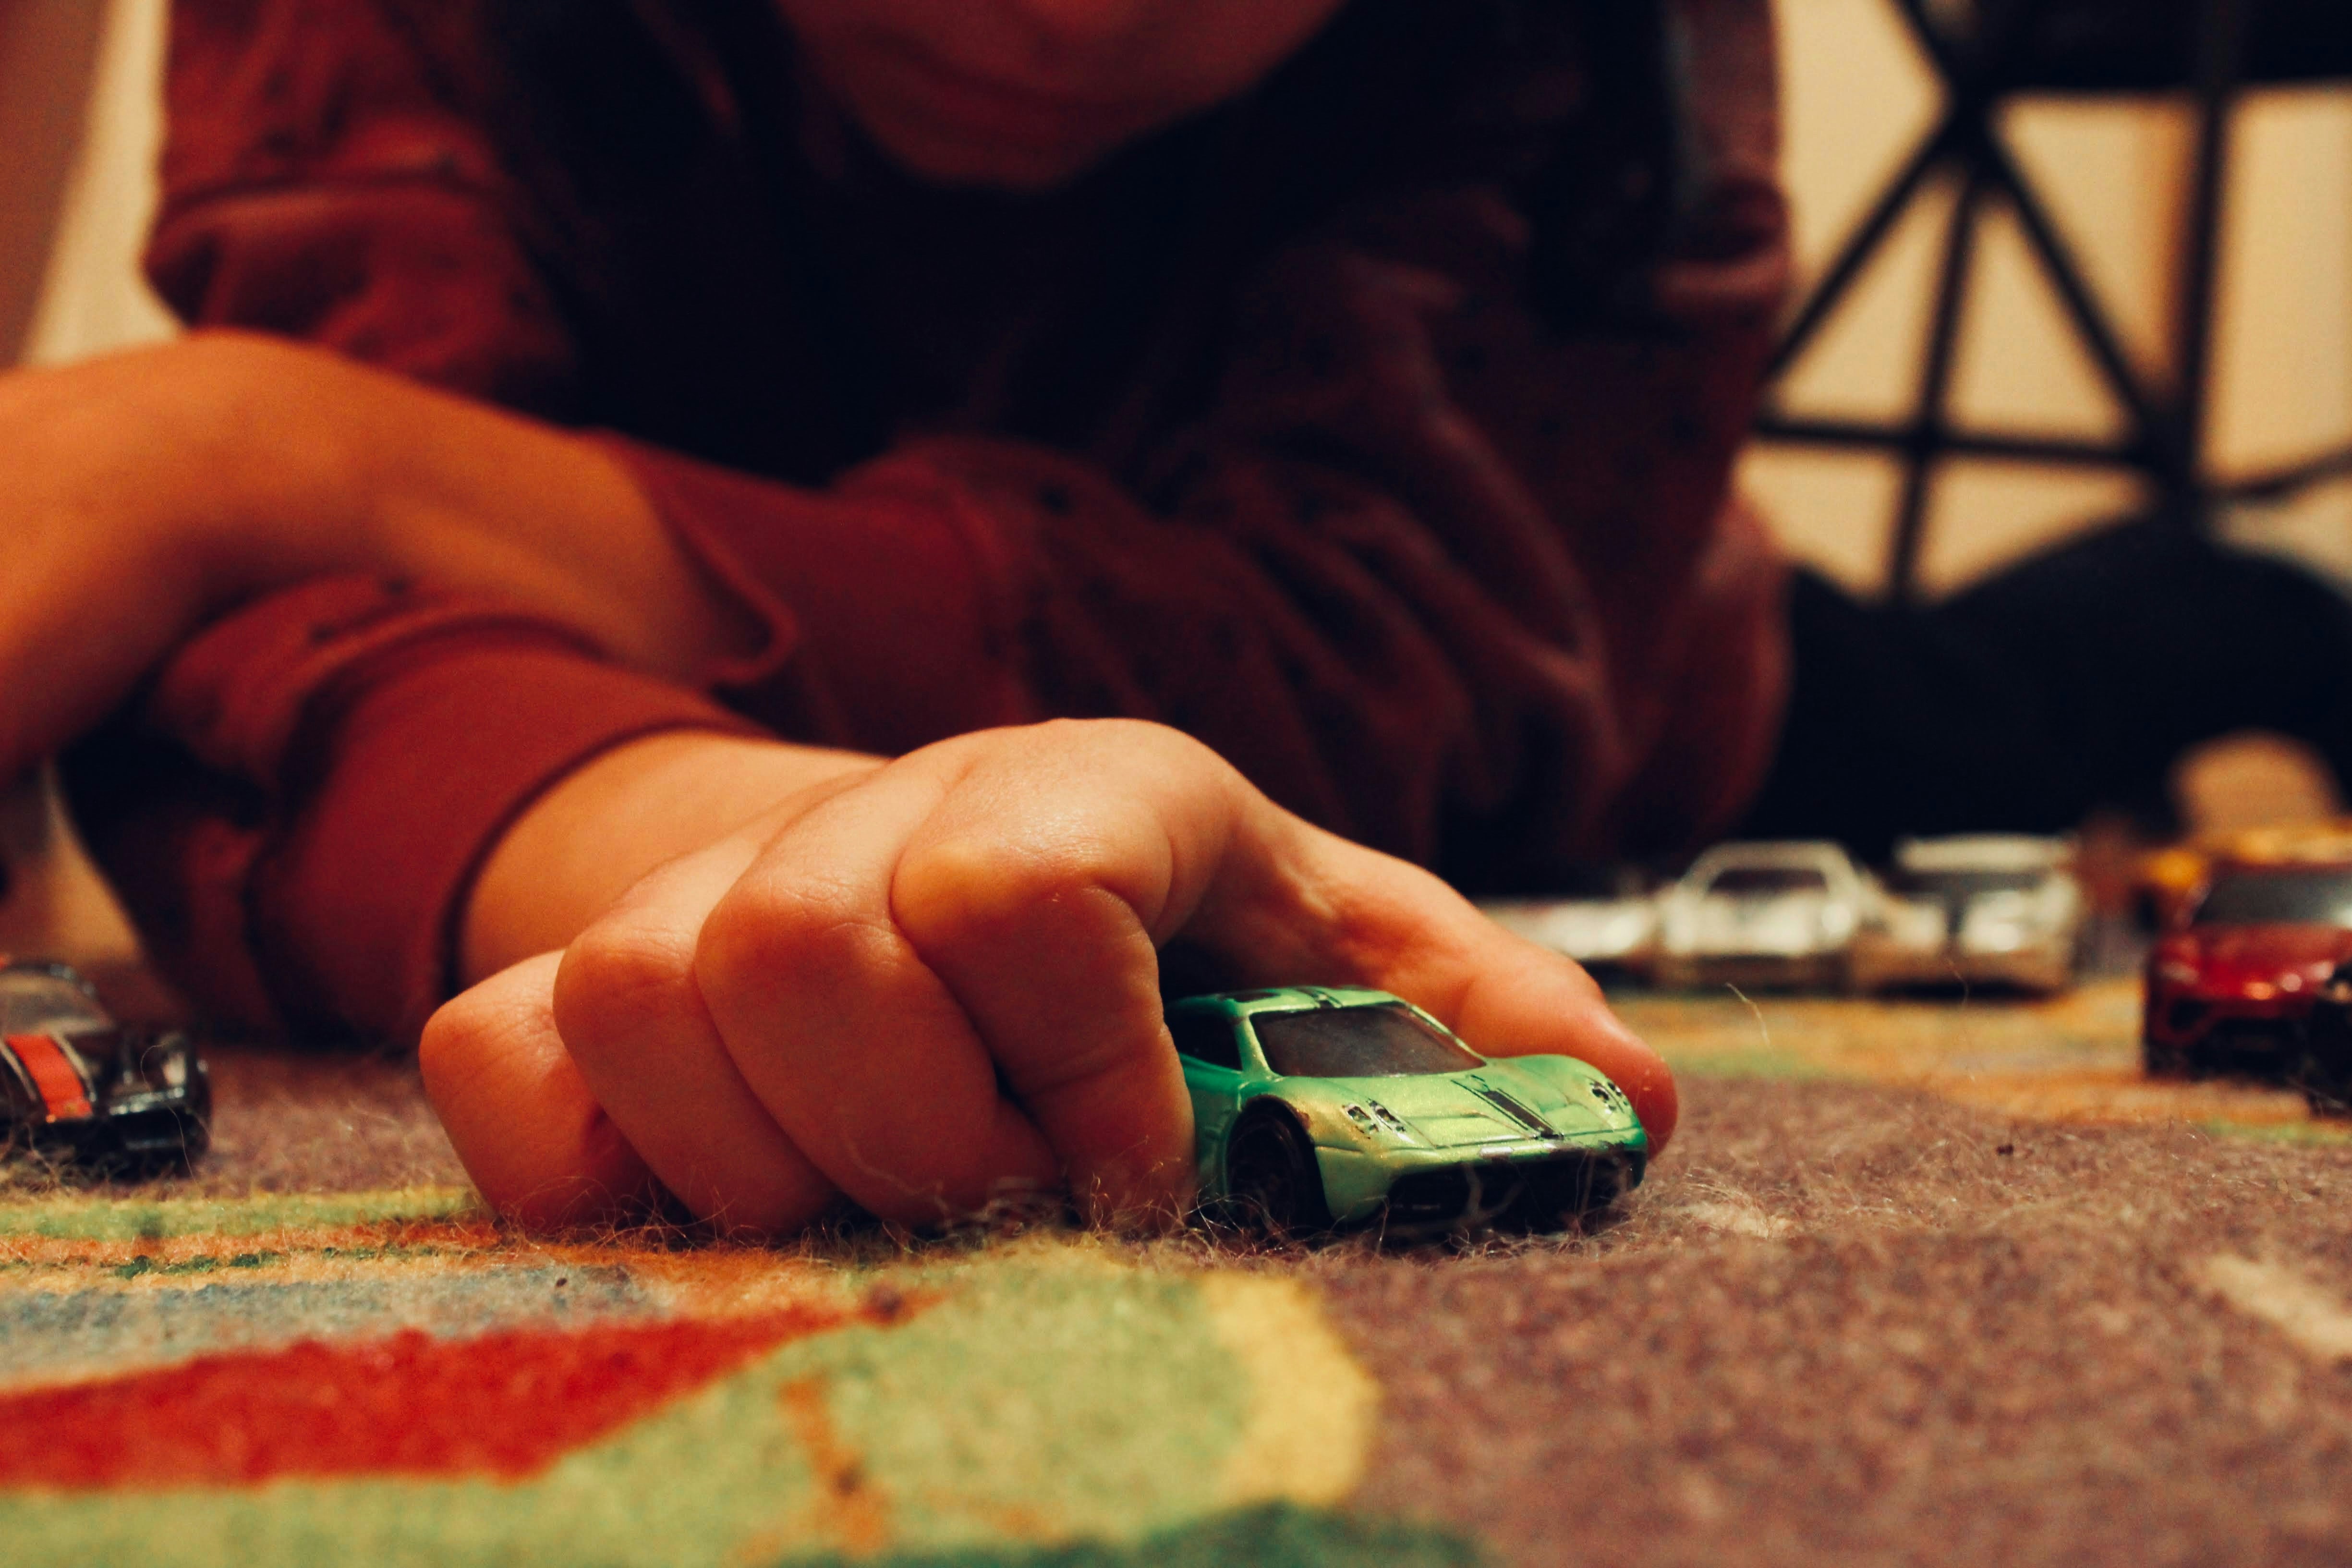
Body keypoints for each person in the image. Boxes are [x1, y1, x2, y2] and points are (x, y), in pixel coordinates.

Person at [7, 0, 1801, 1229]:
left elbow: (1353, 674)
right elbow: (257, 651)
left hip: (1695, 701)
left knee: (2065, 662)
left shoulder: (1610, 75)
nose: (1070, 19)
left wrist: (271, 453)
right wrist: (740, 840)